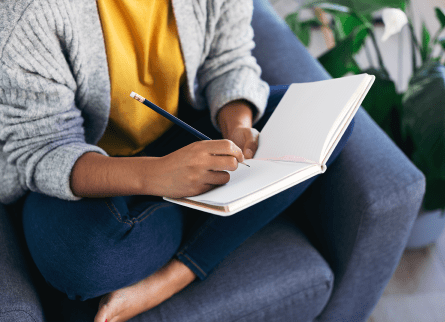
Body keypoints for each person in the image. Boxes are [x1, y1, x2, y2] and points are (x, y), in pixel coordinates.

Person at [0, 0, 353, 321]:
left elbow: (228, 59)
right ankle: (206, 211)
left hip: (181, 132)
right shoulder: (29, 12)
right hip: (81, 165)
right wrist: (154, 176)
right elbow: (42, 148)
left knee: (333, 119)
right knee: (85, 261)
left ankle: (173, 274)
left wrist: (238, 126)